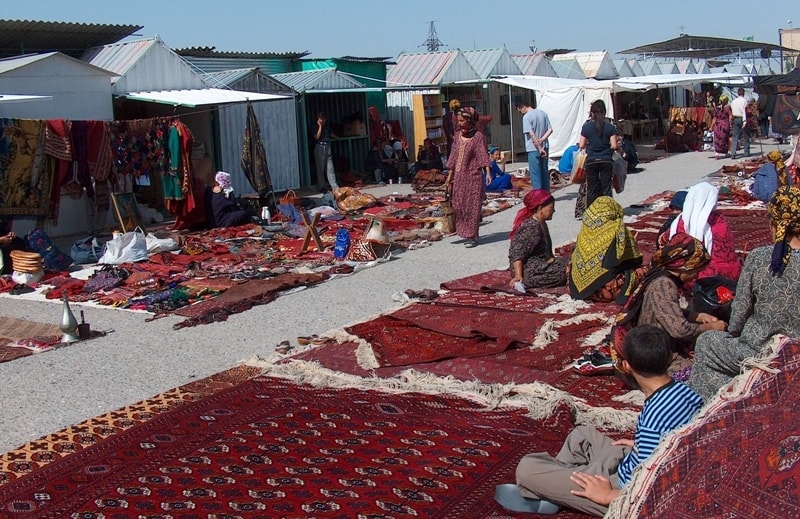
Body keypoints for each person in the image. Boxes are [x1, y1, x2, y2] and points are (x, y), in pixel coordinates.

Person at [501, 326, 704, 516]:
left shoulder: (654, 416)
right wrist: (641, 445)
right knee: (582, 434)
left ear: (626, 366)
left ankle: (553, 490)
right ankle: (558, 487)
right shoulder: (685, 391)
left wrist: (608, 495)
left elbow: (652, 485)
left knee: (527, 468)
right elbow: (680, 438)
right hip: (635, 461)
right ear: (668, 357)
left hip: (625, 490)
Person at [689, 186, 800, 401]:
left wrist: (733, 332)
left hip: (763, 351)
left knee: (706, 343)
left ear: (774, 224)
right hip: (794, 352)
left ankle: (730, 403)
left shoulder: (761, 258)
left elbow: (740, 310)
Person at [626, 233, 727, 354]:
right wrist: (712, 327)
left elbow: (666, 311)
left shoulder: (660, 275)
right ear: (686, 266)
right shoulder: (664, 285)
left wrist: (698, 316)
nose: (696, 276)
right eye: (696, 270)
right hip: (654, 353)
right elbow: (680, 330)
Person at [658, 182, 741, 283]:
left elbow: (663, 241)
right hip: (722, 275)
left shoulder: (679, 221)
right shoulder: (719, 221)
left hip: (686, 275)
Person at [569, 197, 644, 304]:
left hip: (576, 291)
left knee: (571, 262)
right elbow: (633, 261)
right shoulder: (617, 228)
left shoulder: (584, 231)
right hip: (607, 289)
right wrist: (634, 246)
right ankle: (618, 294)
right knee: (642, 272)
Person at [445, 107, 491, 248]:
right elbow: (453, 156)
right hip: (459, 177)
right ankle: (463, 230)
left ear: (469, 120)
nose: (459, 123)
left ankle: (472, 236)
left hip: (472, 177)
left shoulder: (477, 137)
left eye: (461, 120)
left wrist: (488, 172)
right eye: (458, 120)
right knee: (458, 205)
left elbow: (482, 154)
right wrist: (449, 176)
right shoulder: (458, 135)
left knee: (472, 207)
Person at [508, 189, 568, 290]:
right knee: (568, 271)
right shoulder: (531, 227)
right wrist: (518, 275)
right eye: (551, 208)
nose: (553, 211)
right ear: (540, 208)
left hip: (542, 264)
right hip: (530, 270)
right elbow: (517, 253)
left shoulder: (541, 223)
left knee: (572, 263)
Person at [580, 100, 618, 210]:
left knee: (591, 188)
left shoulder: (586, 127)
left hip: (591, 160)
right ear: (604, 112)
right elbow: (614, 146)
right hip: (606, 159)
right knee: (606, 187)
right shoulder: (610, 127)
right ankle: (608, 210)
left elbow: (581, 144)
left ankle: (592, 211)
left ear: (592, 113)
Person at [514, 98, 553, 190]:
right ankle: (546, 193)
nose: (521, 113)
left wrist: (539, 146)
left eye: (520, 111)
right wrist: (542, 139)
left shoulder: (527, 117)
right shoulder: (543, 113)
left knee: (535, 174)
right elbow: (550, 129)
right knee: (544, 171)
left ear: (522, 107)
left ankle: (538, 195)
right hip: (545, 145)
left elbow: (531, 133)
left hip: (533, 148)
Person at [313, 111, 338, 190]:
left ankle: (334, 186)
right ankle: (322, 186)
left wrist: (338, 137)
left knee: (330, 168)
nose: (321, 121)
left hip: (327, 146)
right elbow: (317, 137)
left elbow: (331, 134)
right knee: (320, 168)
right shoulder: (314, 126)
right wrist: (320, 126)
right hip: (319, 146)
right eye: (320, 119)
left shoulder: (327, 126)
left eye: (323, 119)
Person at [729, 88, 750, 159]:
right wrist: (745, 121)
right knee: (746, 136)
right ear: (743, 93)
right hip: (742, 118)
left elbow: (731, 110)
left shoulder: (733, 101)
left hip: (735, 118)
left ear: (738, 93)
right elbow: (744, 111)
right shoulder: (745, 101)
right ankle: (746, 152)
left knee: (735, 136)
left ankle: (733, 153)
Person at [711, 95, 732, 159]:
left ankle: (717, 153)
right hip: (725, 124)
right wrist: (731, 124)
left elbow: (714, 118)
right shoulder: (728, 108)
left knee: (717, 138)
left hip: (718, 125)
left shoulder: (717, 108)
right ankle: (725, 153)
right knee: (725, 138)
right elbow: (730, 117)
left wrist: (711, 126)